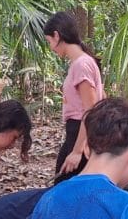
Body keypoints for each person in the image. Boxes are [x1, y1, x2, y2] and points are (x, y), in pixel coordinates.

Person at [43, 11, 105, 176]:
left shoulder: (81, 65)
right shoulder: (82, 62)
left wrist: (77, 151)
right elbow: (102, 98)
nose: (51, 48)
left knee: (63, 185)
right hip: (81, 134)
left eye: (49, 41)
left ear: (57, 36)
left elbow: (91, 110)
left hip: (80, 132)